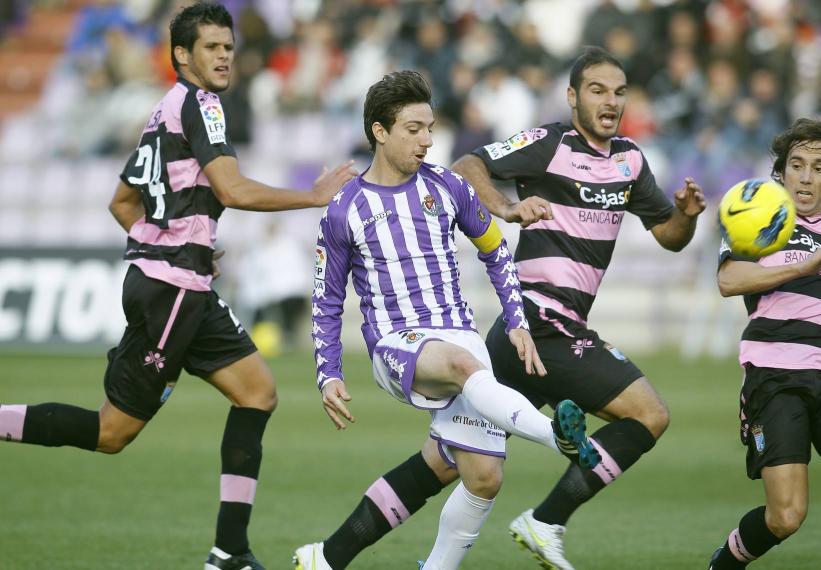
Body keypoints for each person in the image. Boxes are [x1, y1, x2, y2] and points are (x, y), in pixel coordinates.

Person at [295, 46, 707, 570]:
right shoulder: (350, 206)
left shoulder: (450, 185)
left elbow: (496, 246)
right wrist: (327, 373)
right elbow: (327, 297)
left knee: (470, 471)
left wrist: (686, 217)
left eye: (619, 91)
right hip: (419, 341)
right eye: (597, 89)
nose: (426, 140)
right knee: (645, 412)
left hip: (489, 334)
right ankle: (555, 460)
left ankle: (326, 558)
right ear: (573, 96)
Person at [0, 3, 355, 569]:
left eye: (229, 47)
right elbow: (232, 189)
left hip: (179, 283)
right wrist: (313, 197)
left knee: (258, 392)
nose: (224, 57)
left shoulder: (163, 111)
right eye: (211, 47)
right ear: (182, 55)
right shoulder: (201, 106)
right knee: (111, 432)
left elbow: (122, 201)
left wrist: (170, 242)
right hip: (173, 291)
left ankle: (228, 551)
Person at [708, 119, 821, 569]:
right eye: (797, 165)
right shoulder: (761, 221)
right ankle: (722, 565)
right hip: (776, 376)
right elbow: (729, 280)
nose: (807, 177)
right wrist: (807, 265)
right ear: (780, 173)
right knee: (786, 517)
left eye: (819, 167)